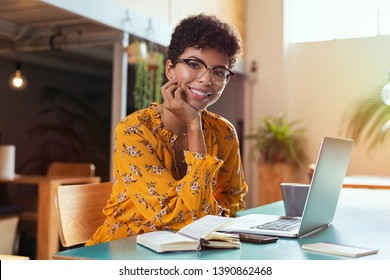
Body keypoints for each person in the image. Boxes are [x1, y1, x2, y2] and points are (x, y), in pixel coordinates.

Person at [86, 13, 248, 245]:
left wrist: (207, 218)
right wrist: (193, 124)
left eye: (219, 72)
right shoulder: (134, 130)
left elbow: (232, 198)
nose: (206, 79)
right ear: (170, 69)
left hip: (191, 250)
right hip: (127, 249)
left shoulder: (224, 132)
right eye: (194, 64)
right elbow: (177, 216)